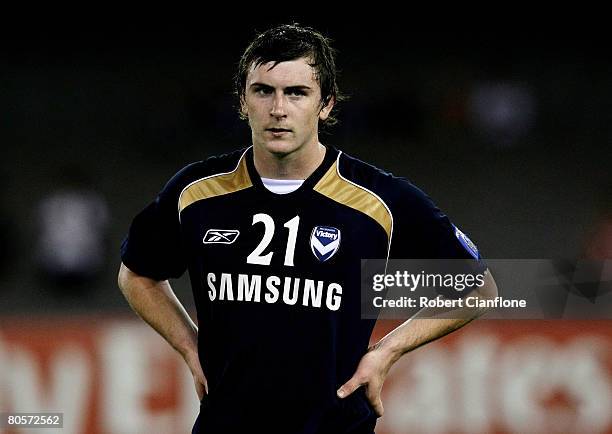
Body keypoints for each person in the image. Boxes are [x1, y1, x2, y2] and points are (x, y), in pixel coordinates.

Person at [118, 24, 498, 434]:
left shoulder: (379, 199)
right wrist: (190, 348)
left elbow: (480, 288)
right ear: (243, 101)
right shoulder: (198, 192)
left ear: (326, 104)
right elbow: (136, 273)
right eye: (263, 91)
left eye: (296, 92)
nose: (278, 108)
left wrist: (388, 351)